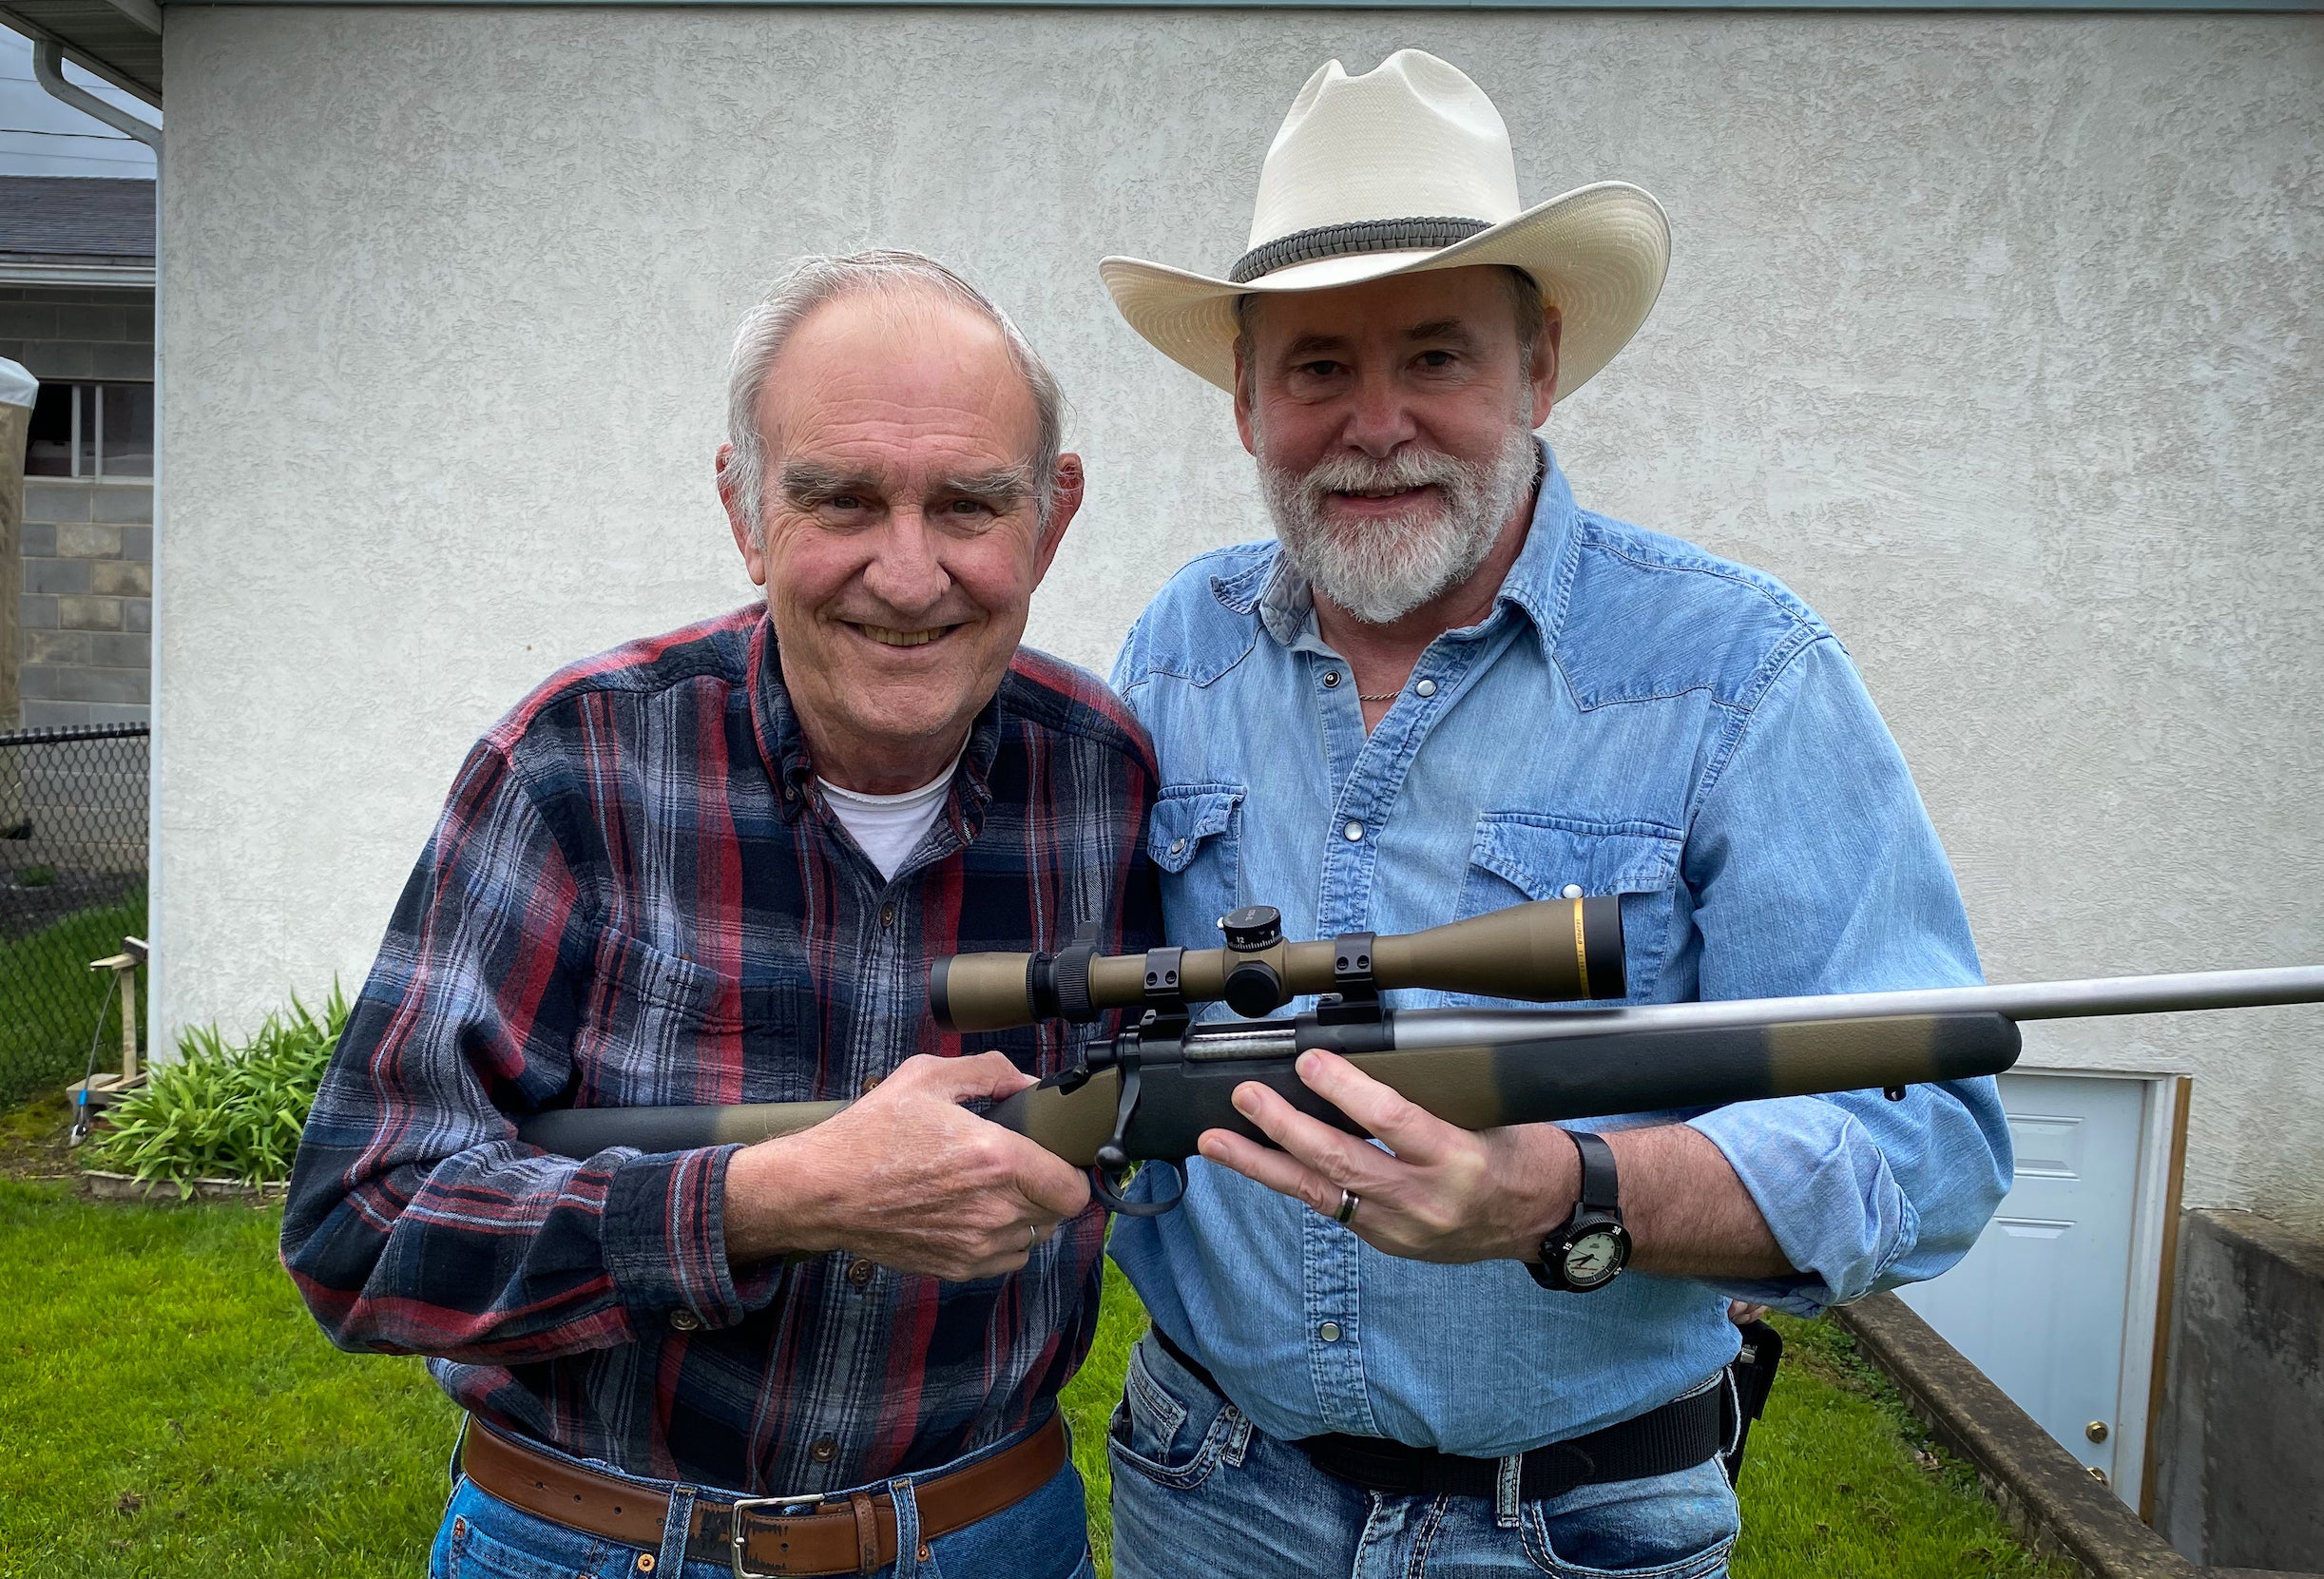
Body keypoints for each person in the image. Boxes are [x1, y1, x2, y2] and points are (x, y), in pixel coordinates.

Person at [1096, 51, 2013, 1577]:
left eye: (1438, 356)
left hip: (1574, 1526)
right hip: (1212, 1493)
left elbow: (1925, 1137)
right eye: (1318, 364)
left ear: (1541, 365)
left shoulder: (1738, 673)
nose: (1376, 421)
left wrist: (1567, 1190)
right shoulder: (1176, 646)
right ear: (1246, 397)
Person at [281, 250, 1161, 1579]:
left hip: (991, 1539)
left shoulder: (1109, 779)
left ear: (1052, 514)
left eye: (970, 503)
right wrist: (762, 1199)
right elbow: (362, 1221)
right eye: (842, 499)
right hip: (590, 1542)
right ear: (746, 510)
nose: (910, 572)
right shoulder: (577, 765)